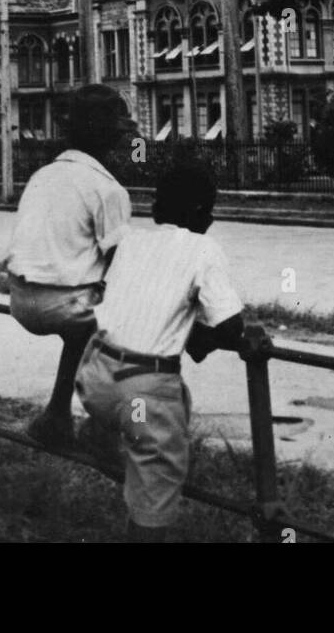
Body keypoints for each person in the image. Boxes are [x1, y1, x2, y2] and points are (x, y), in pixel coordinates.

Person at [75, 165, 243, 543]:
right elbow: (231, 327)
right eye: (210, 211)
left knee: (154, 411)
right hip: (144, 392)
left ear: (156, 209)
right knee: (158, 477)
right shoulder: (204, 248)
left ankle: (104, 432)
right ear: (202, 213)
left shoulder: (130, 242)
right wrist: (207, 339)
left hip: (97, 375)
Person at [2, 84, 136, 448]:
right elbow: (121, 262)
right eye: (119, 134)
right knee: (130, 320)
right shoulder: (106, 188)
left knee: (87, 324)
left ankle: (57, 414)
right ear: (107, 136)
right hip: (63, 305)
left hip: (21, 299)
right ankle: (104, 428)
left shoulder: (43, 175)